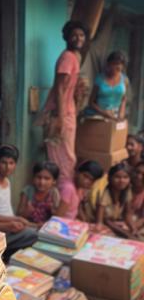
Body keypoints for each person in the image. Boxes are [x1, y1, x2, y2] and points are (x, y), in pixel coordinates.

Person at [39, 20, 88, 183]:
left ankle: (62, 194)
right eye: (74, 35)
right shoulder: (67, 57)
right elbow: (60, 88)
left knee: (65, 155)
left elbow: (69, 89)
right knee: (63, 158)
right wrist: (60, 118)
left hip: (67, 112)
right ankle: (62, 194)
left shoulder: (76, 56)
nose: (78, 38)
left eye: (81, 35)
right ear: (67, 37)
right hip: (60, 113)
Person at [0, 144, 37, 256]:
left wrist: (17, 221)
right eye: (4, 162)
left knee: (36, 231)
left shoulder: (7, 181)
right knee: (33, 234)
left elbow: (6, 209)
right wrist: (16, 219)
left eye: (11, 163)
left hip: (11, 225)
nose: (8, 167)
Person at [95, 163, 141, 239]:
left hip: (116, 221)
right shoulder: (104, 193)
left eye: (125, 177)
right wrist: (123, 232)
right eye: (117, 177)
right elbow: (101, 220)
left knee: (136, 234)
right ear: (110, 178)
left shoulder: (127, 190)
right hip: (103, 223)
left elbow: (127, 214)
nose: (122, 181)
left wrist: (133, 228)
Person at [84, 51, 128, 120]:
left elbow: (124, 99)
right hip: (99, 115)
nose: (116, 66)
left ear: (122, 66)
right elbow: (91, 102)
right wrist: (104, 113)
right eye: (113, 63)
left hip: (116, 116)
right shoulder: (99, 79)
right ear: (108, 64)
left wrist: (121, 114)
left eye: (119, 64)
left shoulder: (125, 80)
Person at [17, 161, 61, 226]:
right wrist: (26, 211)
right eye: (38, 177)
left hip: (46, 227)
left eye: (47, 178)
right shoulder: (28, 191)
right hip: (28, 226)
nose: (42, 182)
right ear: (33, 177)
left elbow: (57, 217)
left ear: (54, 181)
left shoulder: (54, 193)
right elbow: (18, 215)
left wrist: (53, 211)